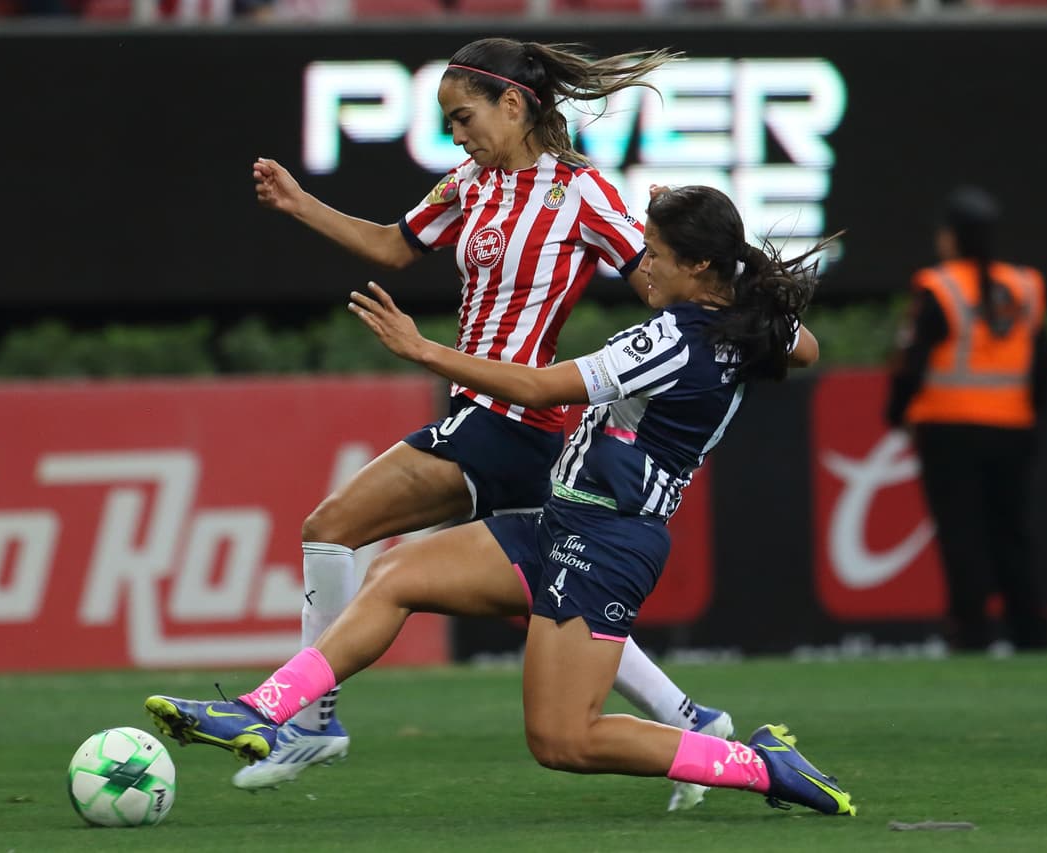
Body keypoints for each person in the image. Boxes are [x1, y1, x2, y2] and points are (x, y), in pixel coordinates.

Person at [146, 184, 856, 818]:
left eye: (657, 252)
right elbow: (807, 350)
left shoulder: (674, 337)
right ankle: (262, 711)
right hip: (567, 520)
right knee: (397, 576)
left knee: (564, 739)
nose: (644, 262)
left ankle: (761, 766)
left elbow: (542, 388)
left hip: (606, 540)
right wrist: (737, 284)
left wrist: (423, 350)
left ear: (698, 267)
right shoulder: (746, 323)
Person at [246, 37, 729, 809]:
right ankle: (692, 718)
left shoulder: (583, 193)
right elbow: (392, 247)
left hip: (516, 415)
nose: (456, 134)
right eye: (447, 121)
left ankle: (310, 715)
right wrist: (299, 202)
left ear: (514, 104)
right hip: (496, 418)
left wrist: (744, 312)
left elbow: (662, 280)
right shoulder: (467, 185)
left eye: (462, 116)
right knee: (543, 591)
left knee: (332, 525)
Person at [886, 186, 1047, 652]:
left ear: (951, 237)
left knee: (962, 533)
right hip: (1013, 428)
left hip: (949, 428)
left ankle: (971, 630)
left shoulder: (940, 287)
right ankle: (1030, 630)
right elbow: (1044, 364)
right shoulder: (1026, 285)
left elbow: (912, 362)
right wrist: (1029, 415)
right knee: (1012, 532)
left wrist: (896, 413)